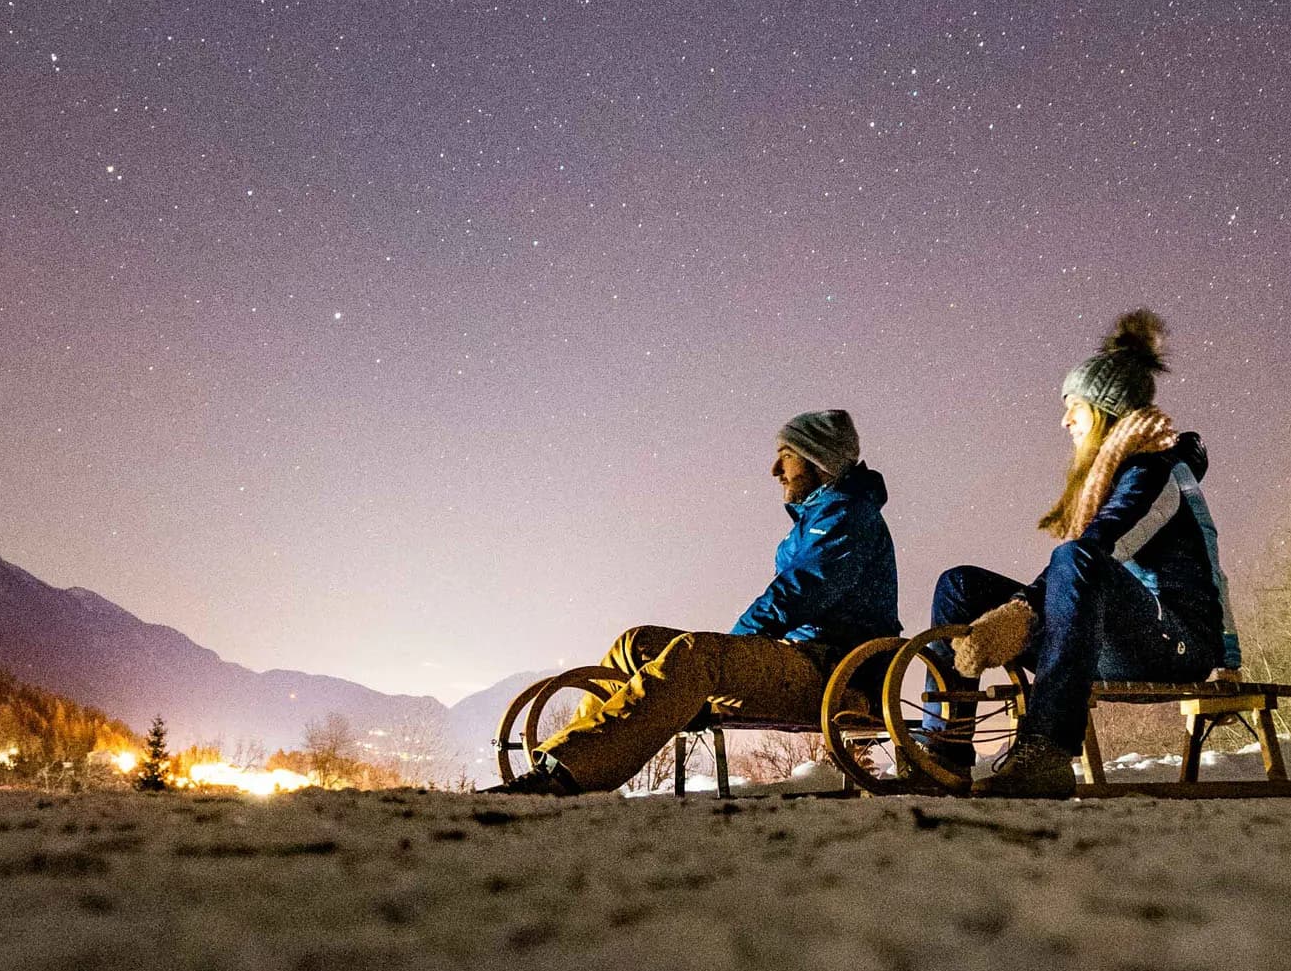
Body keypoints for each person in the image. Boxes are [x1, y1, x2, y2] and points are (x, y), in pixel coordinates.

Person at [494, 408, 898, 795]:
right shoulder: (819, 518)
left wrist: (739, 645)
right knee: (636, 643)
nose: (775, 471)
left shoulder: (846, 515)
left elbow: (800, 591)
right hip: (803, 659)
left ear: (818, 458)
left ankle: (568, 775)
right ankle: (563, 762)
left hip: (837, 673)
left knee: (699, 656)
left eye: (786, 457)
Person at [925, 309, 1240, 800]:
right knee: (959, 584)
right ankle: (944, 750)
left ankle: (1047, 751)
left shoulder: (1156, 472)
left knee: (1077, 557)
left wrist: (1022, 611)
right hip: (1112, 630)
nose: (1065, 417)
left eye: (1076, 405)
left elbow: (1103, 547)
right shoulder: (1112, 474)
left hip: (1173, 644)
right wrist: (1019, 608)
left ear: (1106, 411)